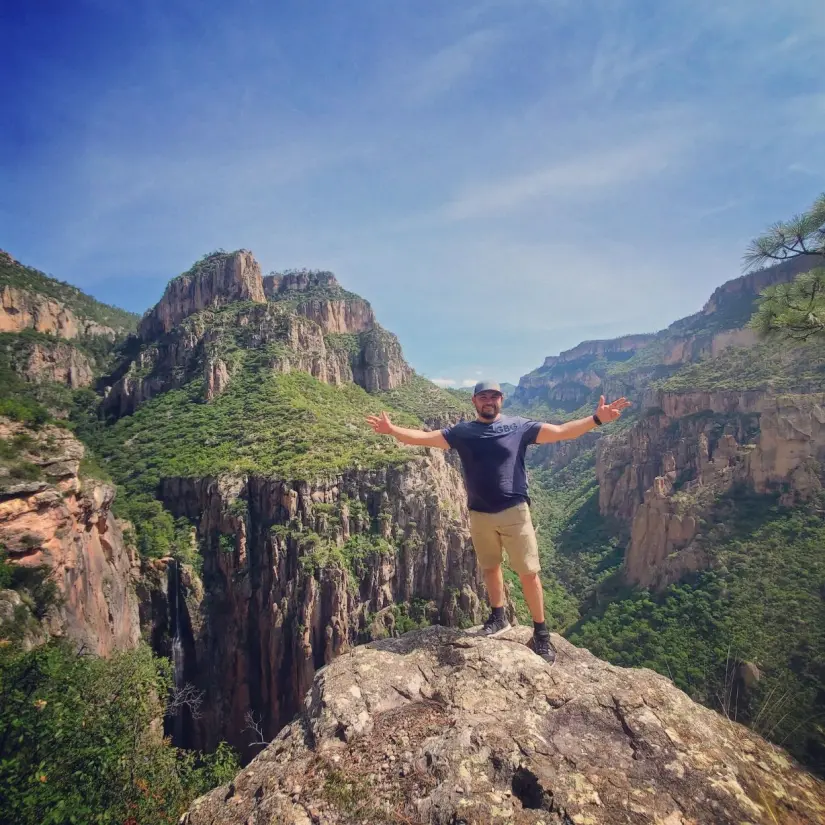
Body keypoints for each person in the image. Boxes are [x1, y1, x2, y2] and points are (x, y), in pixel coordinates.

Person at [366, 381, 630, 663]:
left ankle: (541, 634)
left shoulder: (520, 427)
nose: (488, 401)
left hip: (515, 513)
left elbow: (561, 432)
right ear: (474, 401)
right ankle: (498, 615)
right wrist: (392, 430)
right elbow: (425, 437)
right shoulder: (462, 432)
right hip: (479, 515)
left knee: (529, 573)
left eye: (494, 396)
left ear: (501, 399)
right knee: (490, 567)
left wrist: (596, 419)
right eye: (483, 396)